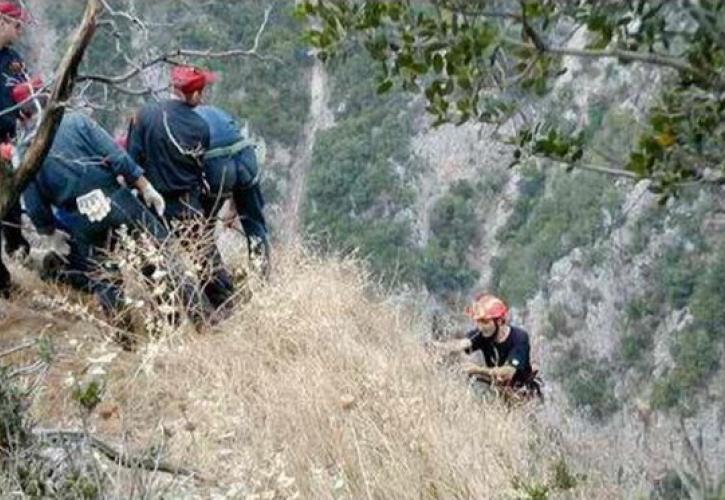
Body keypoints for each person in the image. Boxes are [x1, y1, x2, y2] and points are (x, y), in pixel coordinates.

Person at [12, 78, 205, 324]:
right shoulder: (77, 121)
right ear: (51, 99)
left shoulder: (25, 150)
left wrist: (49, 232)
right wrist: (145, 187)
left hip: (80, 218)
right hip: (116, 199)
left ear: (22, 115)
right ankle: (193, 320)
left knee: (106, 280)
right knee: (160, 254)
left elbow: (34, 204)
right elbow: (116, 156)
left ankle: (126, 341)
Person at [127, 65, 235, 310]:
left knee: (153, 265)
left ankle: (173, 316)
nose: (203, 96)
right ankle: (226, 310)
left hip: (151, 203)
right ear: (194, 95)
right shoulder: (200, 127)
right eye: (201, 91)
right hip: (187, 204)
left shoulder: (142, 115)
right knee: (205, 258)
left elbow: (131, 162)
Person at [194, 104, 270, 275]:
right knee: (254, 224)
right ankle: (262, 278)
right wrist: (234, 206)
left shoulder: (187, 119)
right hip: (246, 158)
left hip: (217, 167)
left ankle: (219, 284)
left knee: (203, 230)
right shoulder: (218, 112)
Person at [432, 293, 541, 400]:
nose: (480, 327)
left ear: (499, 321)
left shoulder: (519, 338)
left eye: (485, 322)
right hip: (500, 392)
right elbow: (461, 344)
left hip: (523, 396)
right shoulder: (483, 334)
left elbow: (508, 373)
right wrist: (437, 347)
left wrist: (477, 369)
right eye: (478, 322)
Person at [0, 1, 29, 297]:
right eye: (16, 25)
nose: (20, 31)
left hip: (6, 145)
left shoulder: (14, 61)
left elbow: (25, 96)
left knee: (11, 203)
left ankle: (16, 246)